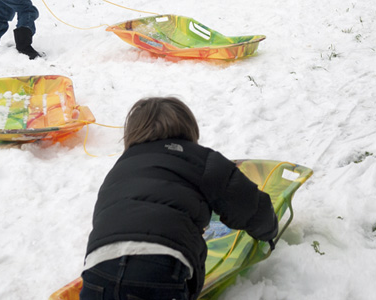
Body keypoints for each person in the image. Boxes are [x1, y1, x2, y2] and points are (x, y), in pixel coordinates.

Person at [80, 97, 279, 300]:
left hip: (98, 268)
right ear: (189, 128)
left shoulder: (121, 167)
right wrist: (269, 230)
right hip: (162, 268)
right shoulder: (203, 160)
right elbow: (249, 206)